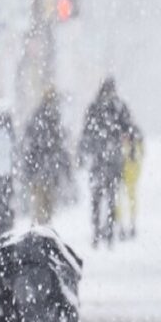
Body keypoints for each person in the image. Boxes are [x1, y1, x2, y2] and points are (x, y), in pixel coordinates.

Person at [79, 77, 135, 247]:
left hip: (98, 158)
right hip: (113, 158)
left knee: (97, 196)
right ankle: (109, 231)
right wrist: (130, 149)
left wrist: (83, 153)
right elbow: (129, 129)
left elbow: (86, 132)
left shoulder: (94, 107)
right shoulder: (118, 106)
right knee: (111, 196)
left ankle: (97, 231)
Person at [22, 89, 72, 224]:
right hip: (47, 168)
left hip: (42, 168)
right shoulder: (52, 119)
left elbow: (29, 144)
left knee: (41, 205)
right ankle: (43, 231)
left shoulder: (40, 117)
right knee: (45, 205)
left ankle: (41, 230)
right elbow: (59, 146)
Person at [0, 111, 16, 236]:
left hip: (3, 174)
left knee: (4, 205)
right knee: (4, 205)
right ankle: (5, 228)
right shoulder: (6, 134)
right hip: (3, 174)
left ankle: (5, 228)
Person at [117, 125, 144, 240]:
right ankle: (122, 225)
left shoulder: (133, 146)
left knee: (129, 199)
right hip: (124, 175)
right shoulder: (129, 145)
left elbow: (138, 159)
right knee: (121, 200)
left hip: (130, 175)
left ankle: (130, 224)